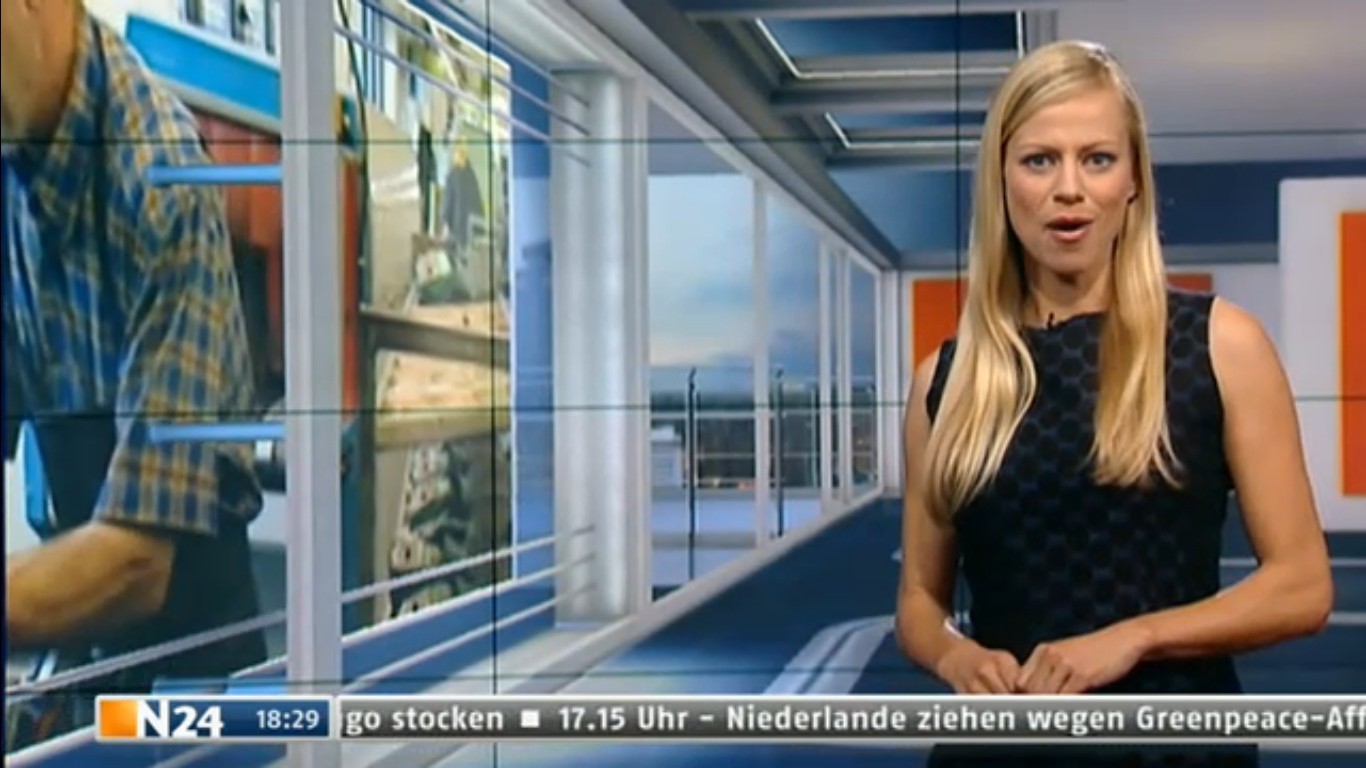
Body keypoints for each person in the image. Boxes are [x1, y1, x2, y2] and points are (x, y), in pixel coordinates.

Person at [894, 40, 1333, 767]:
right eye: (1040, 160)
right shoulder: (946, 381)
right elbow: (918, 599)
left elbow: (1303, 587)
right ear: (1001, 182)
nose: (1069, 188)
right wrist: (954, 656)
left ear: (1132, 182)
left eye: (1097, 159)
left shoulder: (1221, 346)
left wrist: (1136, 637)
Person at [2, 0, 266, 743]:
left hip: (195, 673)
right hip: (90, 660)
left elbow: (139, 562)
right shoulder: (12, 162)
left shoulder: (160, 174)